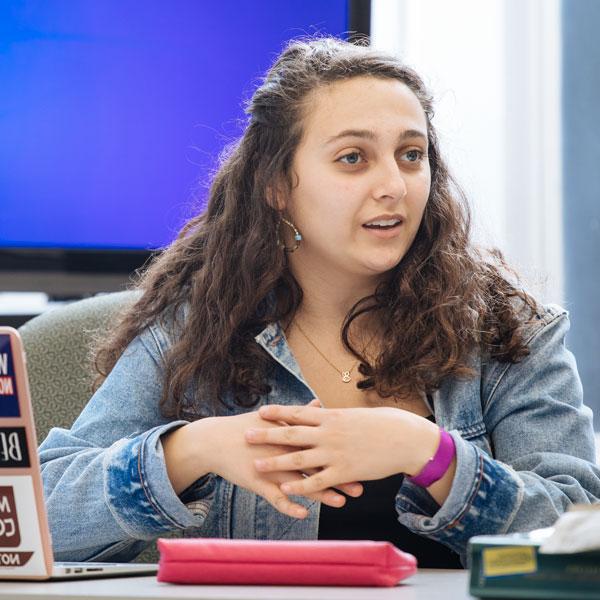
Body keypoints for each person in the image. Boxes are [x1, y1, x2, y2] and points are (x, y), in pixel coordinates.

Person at [39, 35, 599, 568]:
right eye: (353, 158)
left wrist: (430, 454)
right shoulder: (194, 327)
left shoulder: (507, 330)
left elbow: (579, 530)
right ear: (278, 186)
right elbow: (33, 522)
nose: (394, 185)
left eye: (411, 155)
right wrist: (191, 449)